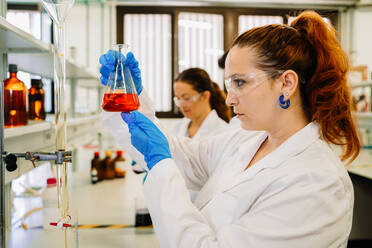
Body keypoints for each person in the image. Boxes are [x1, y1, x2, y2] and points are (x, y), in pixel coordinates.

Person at [99, 11, 359, 247]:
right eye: (229, 83)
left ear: (286, 83)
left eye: (240, 82)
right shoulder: (247, 139)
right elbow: (184, 158)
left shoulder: (317, 184)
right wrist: (132, 95)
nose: (228, 98)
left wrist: (161, 167)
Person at [172, 68, 231, 139]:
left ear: (205, 96)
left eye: (186, 98)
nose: (181, 105)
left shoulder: (223, 132)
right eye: (178, 98)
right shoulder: (176, 129)